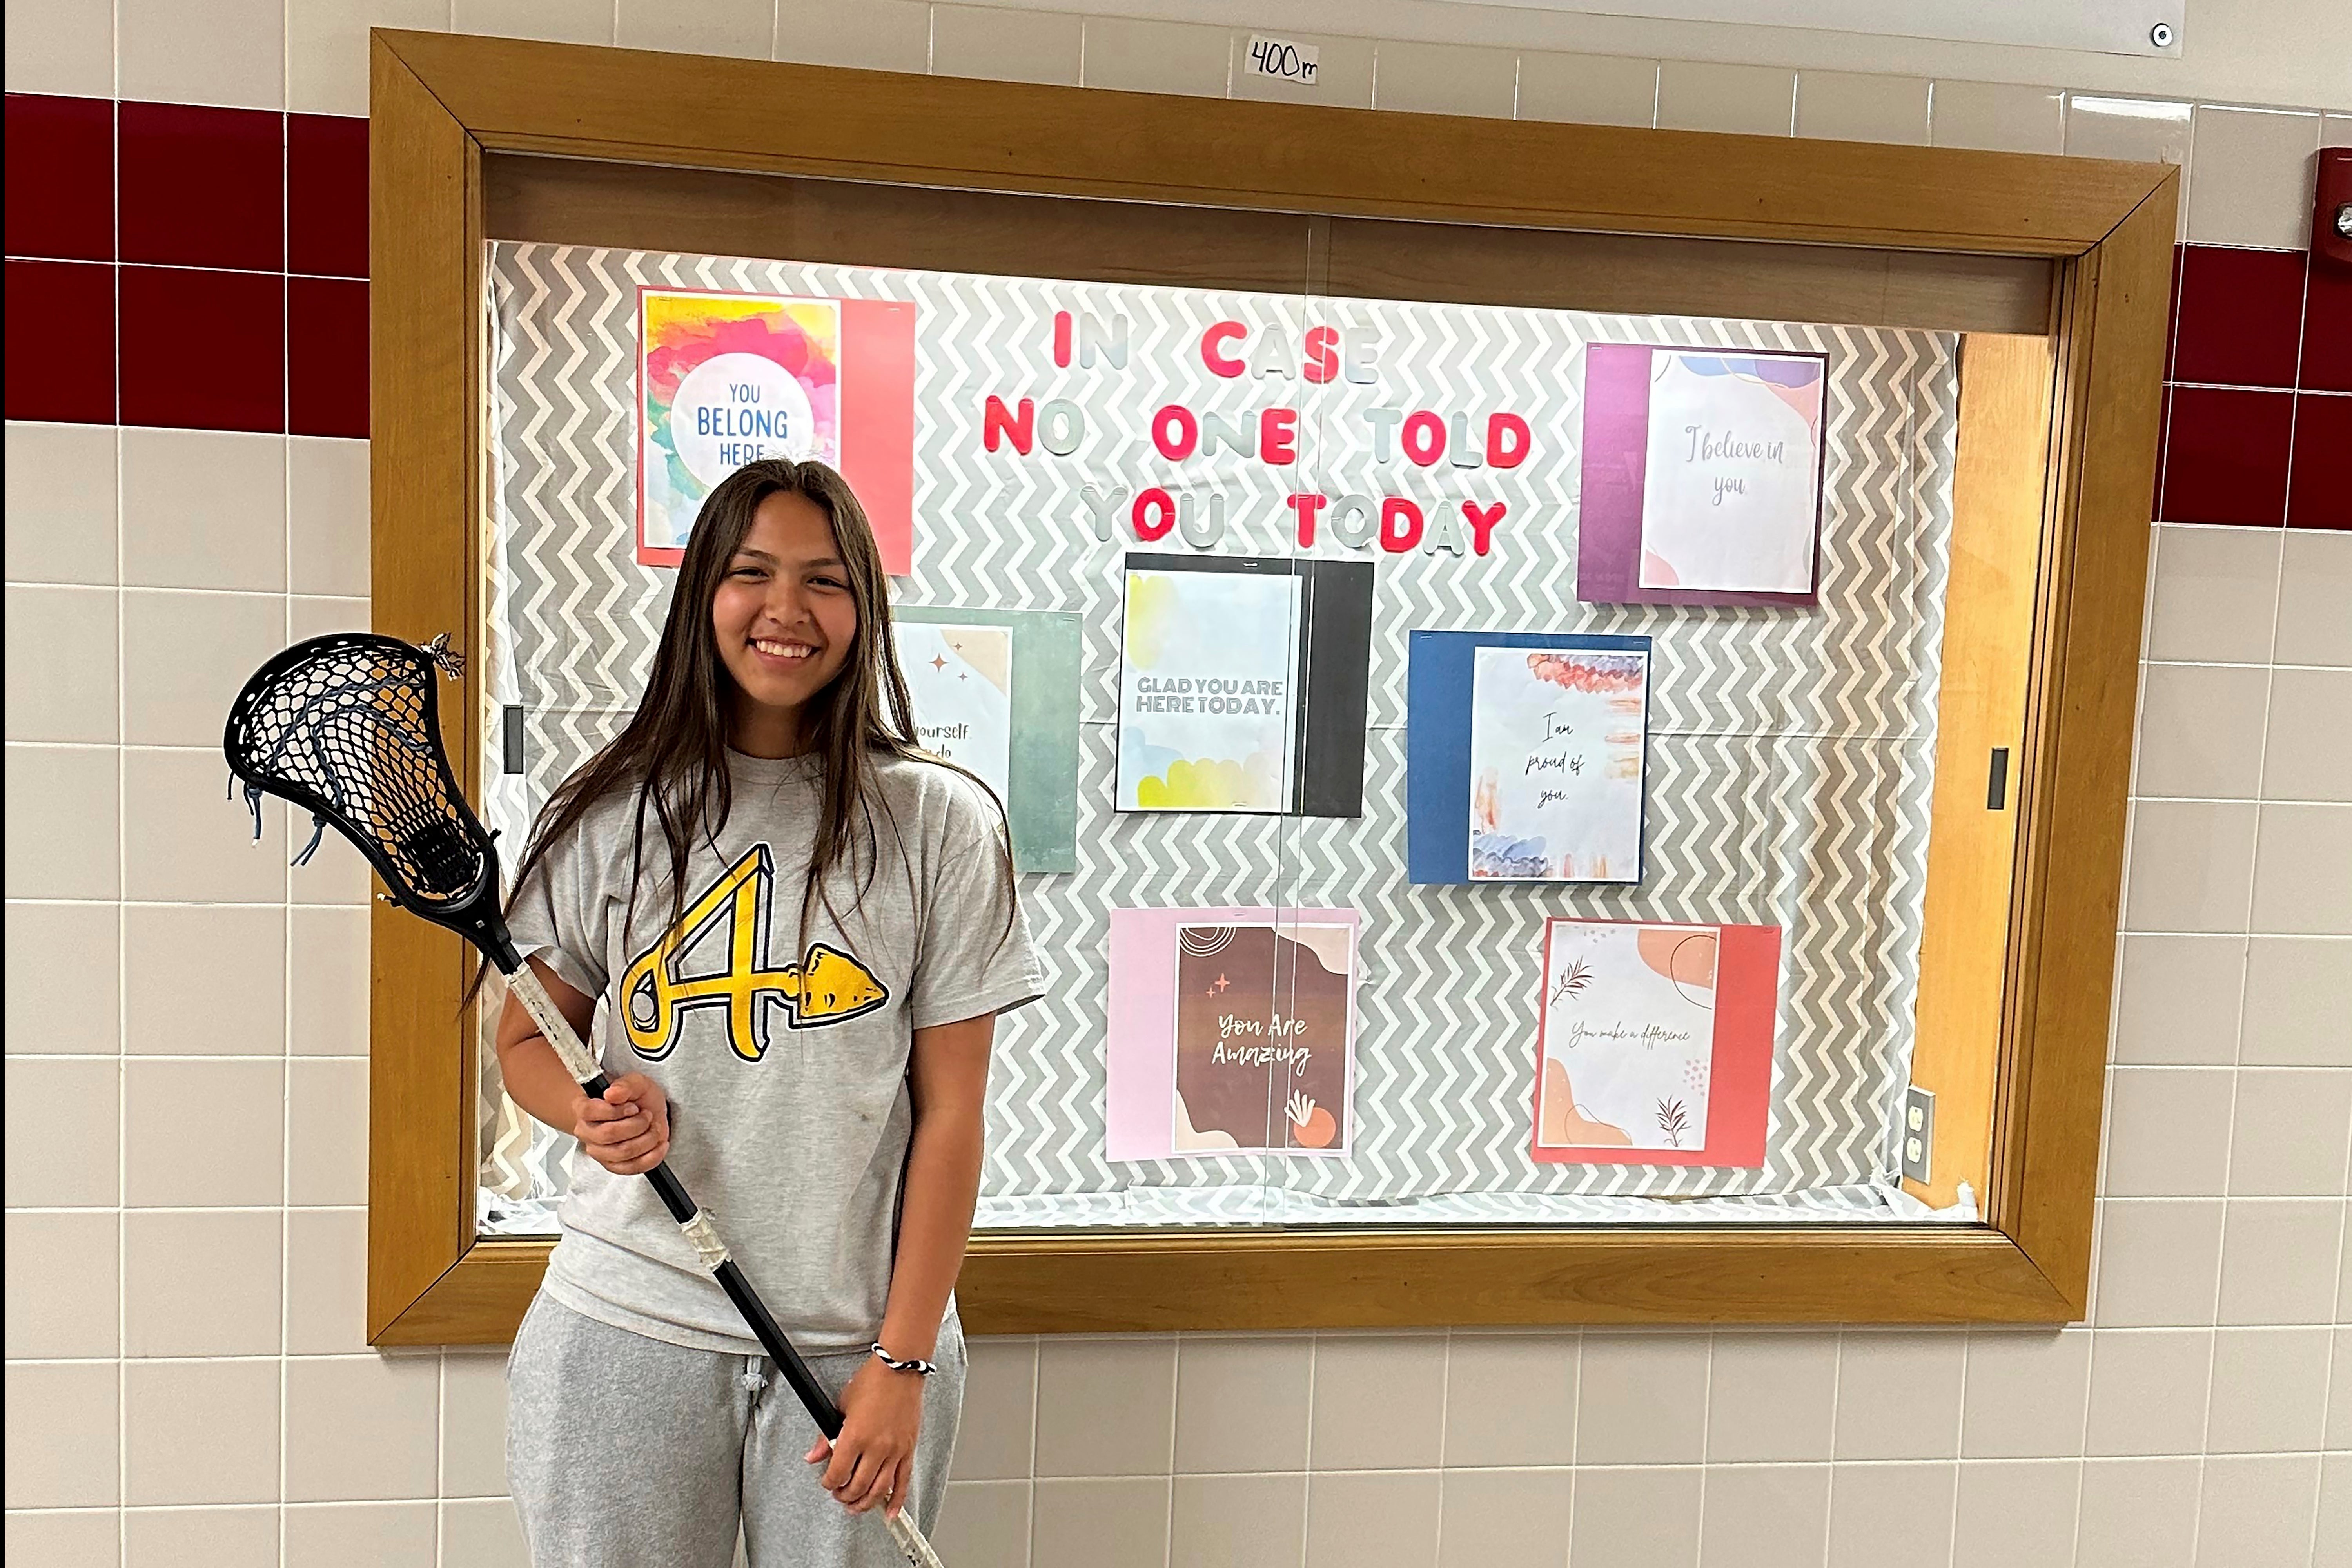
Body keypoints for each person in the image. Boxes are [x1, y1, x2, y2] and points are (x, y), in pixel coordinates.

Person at [494, 459, 1040, 1566]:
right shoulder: (610, 809)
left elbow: (951, 1118)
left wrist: (903, 1363)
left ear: (865, 608)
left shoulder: (941, 823)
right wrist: (584, 1109)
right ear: (705, 593)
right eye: (752, 573)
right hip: (626, 1329)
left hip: (855, 1356)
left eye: (823, 580)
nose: (786, 610)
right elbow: (522, 1041)